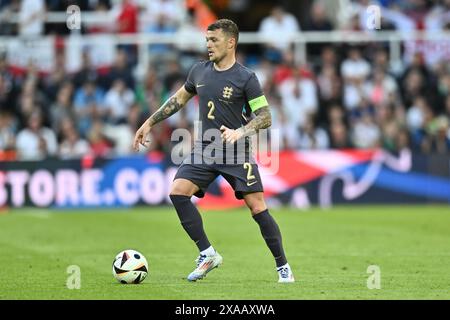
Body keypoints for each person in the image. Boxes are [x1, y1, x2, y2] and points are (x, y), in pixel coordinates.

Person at [133, 19, 294, 283]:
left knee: (257, 207)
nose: (208, 45)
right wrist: (149, 122)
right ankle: (207, 253)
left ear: (231, 42)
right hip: (206, 149)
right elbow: (177, 100)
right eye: (207, 40)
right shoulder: (198, 71)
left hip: (236, 152)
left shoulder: (246, 78)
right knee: (178, 192)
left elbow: (266, 116)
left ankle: (283, 267)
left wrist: (240, 132)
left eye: (214, 40)